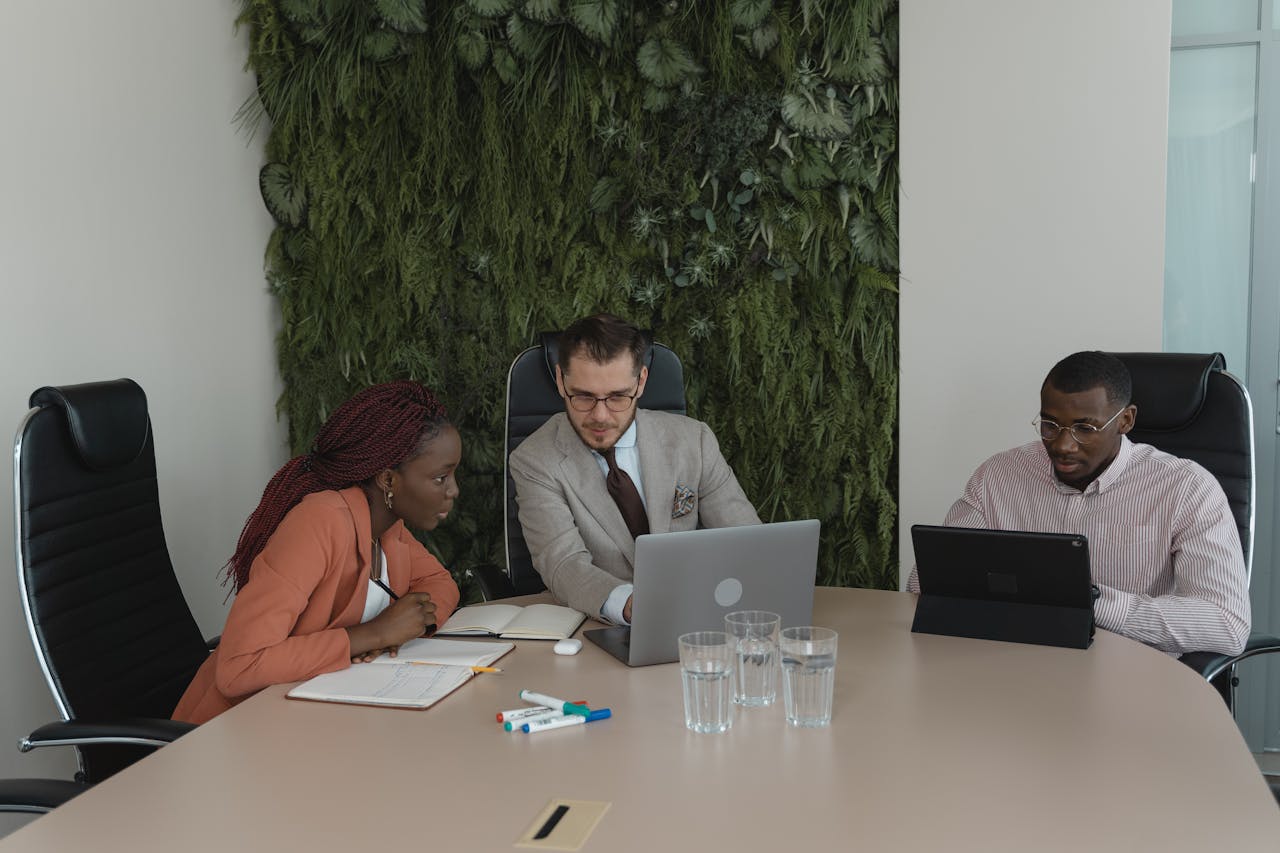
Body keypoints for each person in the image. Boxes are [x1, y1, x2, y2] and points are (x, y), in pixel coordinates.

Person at [908, 351, 1250, 656]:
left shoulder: (1187, 488)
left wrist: (1093, 602)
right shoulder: (999, 474)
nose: (1063, 445)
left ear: (1126, 420)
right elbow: (924, 582)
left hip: (1129, 676)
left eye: (1084, 428)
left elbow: (1227, 625)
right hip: (1012, 664)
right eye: (1049, 425)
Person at [173, 381, 461, 724]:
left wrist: (405, 629)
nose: (453, 491)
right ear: (388, 480)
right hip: (230, 731)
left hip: (312, 721)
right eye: (441, 478)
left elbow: (441, 584)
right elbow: (239, 667)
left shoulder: (387, 526)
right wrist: (375, 634)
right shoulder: (319, 523)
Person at [509, 313, 760, 624]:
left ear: (641, 381)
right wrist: (628, 603)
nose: (600, 416)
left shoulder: (694, 440)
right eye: (584, 396)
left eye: (617, 397)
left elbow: (747, 542)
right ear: (561, 380)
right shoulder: (534, 460)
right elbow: (563, 565)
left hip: (700, 616)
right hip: (602, 627)